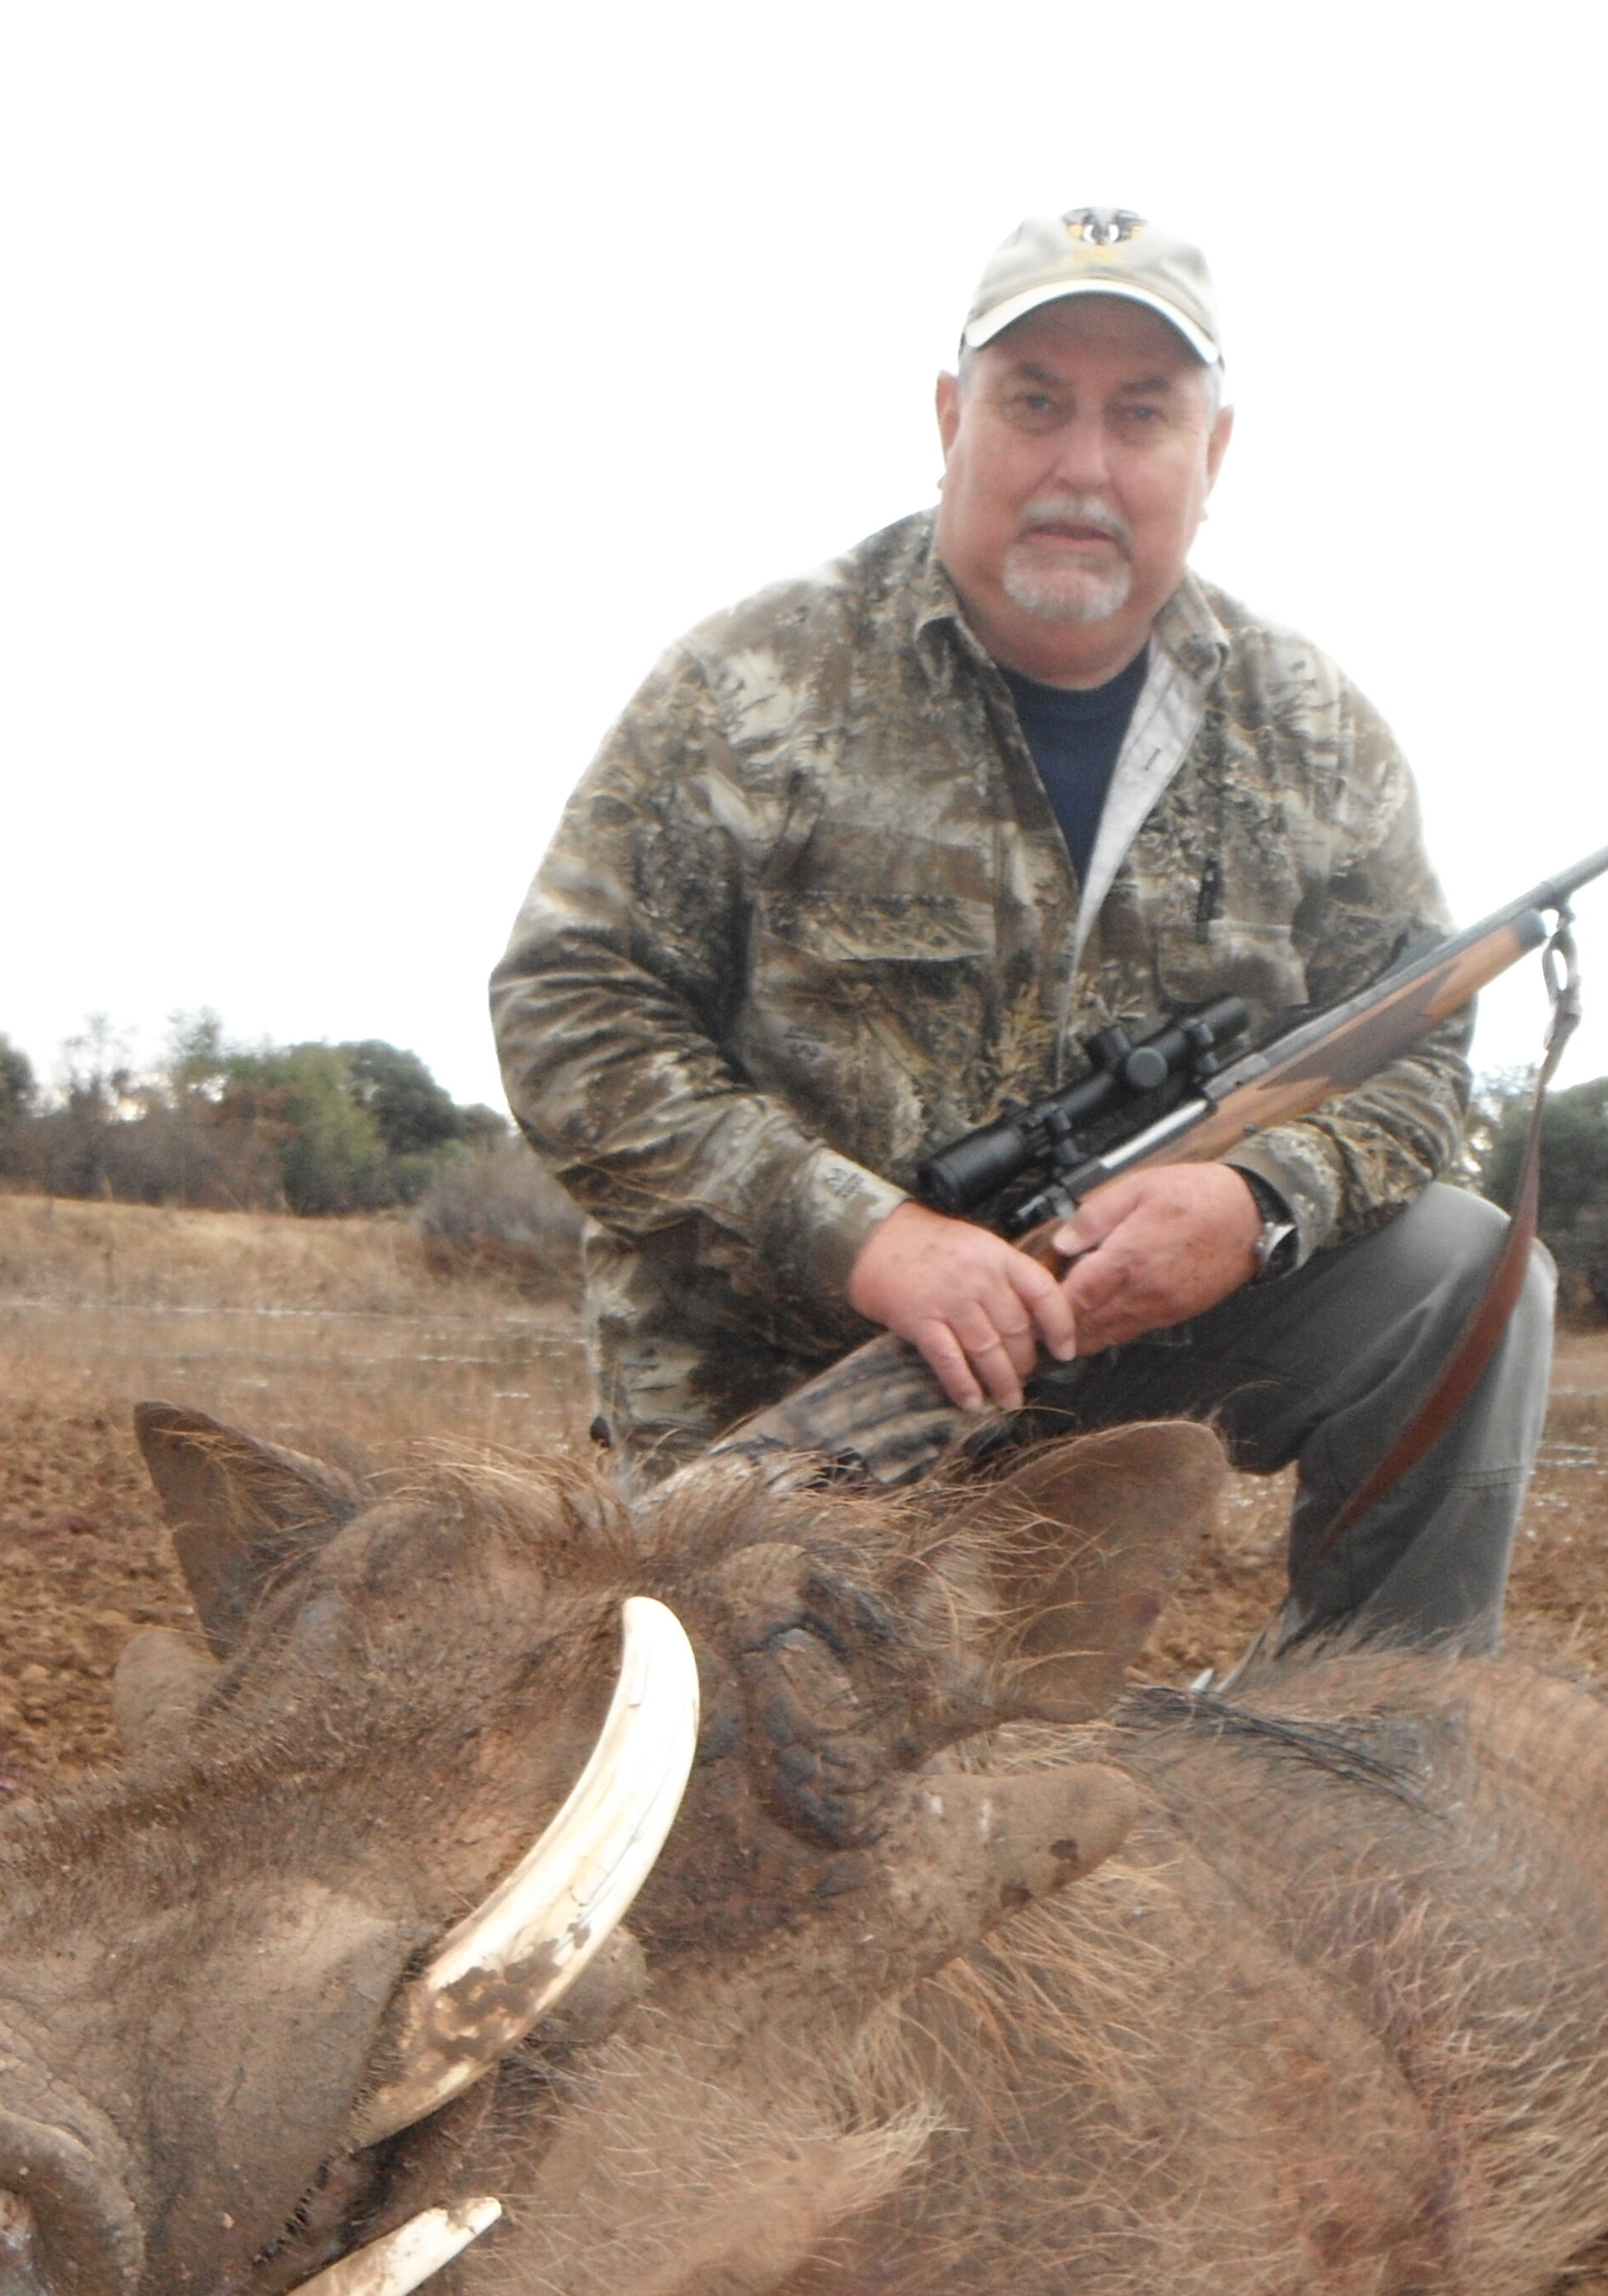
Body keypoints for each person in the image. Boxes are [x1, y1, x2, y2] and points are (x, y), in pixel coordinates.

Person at [494, 207, 1553, 1655]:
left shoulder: (1317, 733)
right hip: (793, 1374)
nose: (1084, 467)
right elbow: (570, 1013)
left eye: (1141, 415)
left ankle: (1369, 1756)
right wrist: (869, 1240)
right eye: (1035, 402)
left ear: (1214, 454)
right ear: (951, 418)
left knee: (1476, 1272)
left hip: (1130, 1347)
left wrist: (1259, 1206)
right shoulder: (752, 684)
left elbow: (1418, 1053)